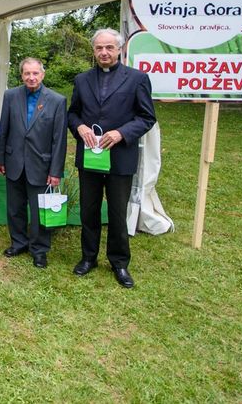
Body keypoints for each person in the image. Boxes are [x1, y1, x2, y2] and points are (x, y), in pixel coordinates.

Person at [68, 28, 156, 288]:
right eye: (99, 48)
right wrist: (80, 127)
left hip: (120, 156)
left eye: (109, 48)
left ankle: (119, 262)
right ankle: (89, 257)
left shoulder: (137, 79)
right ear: (93, 50)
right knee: (89, 209)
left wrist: (121, 133)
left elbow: (147, 117)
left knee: (117, 212)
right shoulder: (82, 80)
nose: (104, 52)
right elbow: (73, 114)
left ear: (119, 49)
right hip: (91, 156)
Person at [0, 58, 67, 270]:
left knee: (39, 211)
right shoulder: (10, 96)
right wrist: (1, 158)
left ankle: (39, 250)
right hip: (14, 162)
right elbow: (4, 129)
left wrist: (56, 171)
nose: (31, 77)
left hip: (41, 165)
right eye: (27, 73)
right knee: (15, 208)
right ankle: (18, 243)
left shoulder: (57, 100)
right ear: (21, 75)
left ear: (42, 75)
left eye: (35, 73)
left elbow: (59, 140)